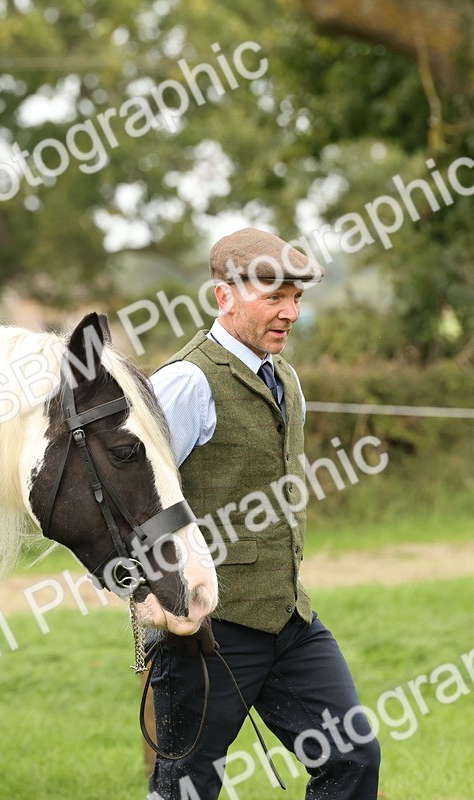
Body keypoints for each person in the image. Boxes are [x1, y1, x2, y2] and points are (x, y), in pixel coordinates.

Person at [146, 228, 381, 799]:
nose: (290, 312)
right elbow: (138, 500)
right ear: (224, 296)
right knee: (186, 788)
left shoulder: (286, 378)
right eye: (273, 296)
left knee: (353, 754)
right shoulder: (186, 382)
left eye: (296, 298)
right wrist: (154, 598)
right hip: (208, 630)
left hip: (291, 621)